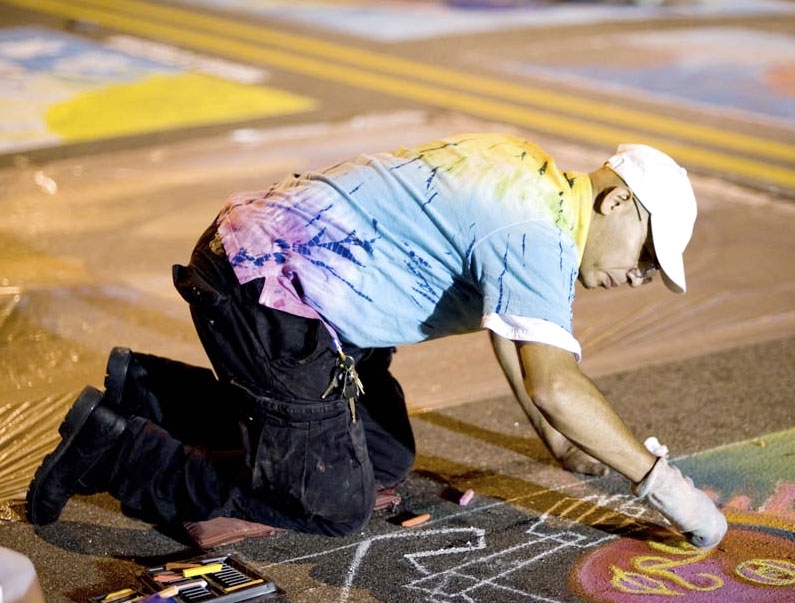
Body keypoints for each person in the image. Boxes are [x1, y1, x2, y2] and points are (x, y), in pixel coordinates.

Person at [26, 134, 727, 549]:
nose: (639, 276)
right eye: (646, 254)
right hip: (267, 293)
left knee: (385, 455)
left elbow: (513, 334)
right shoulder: (535, 232)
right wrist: (667, 490)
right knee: (333, 502)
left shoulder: (532, 181)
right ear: (615, 203)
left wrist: (558, 441)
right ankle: (118, 451)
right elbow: (555, 382)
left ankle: (145, 390)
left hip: (273, 281)